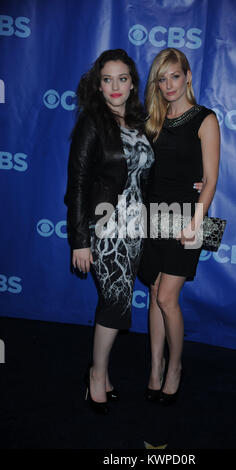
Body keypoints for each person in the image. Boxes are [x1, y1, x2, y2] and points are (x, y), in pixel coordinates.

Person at [64, 49, 154, 414]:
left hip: (136, 231)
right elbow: (79, 184)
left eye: (122, 78)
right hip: (105, 230)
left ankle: (100, 372)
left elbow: (145, 177)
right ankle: (96, 376)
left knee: (117, 303)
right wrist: (80, 242)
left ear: (133, 83)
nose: (115, 86)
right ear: (98, 86)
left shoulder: (139, 122)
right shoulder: (92, 123)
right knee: (115, 304)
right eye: (107, 79)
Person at [138, 48, 220, 405]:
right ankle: (155, 367)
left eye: (174, 75)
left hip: (187, 218)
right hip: (152, 216)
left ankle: (175, 366)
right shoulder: (152, 120)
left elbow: (212, 180)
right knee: (154, 295)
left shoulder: (205, 119)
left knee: (167, 298)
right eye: (162, 78)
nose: (169, 84)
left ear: (187, 75)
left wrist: (195, 225)